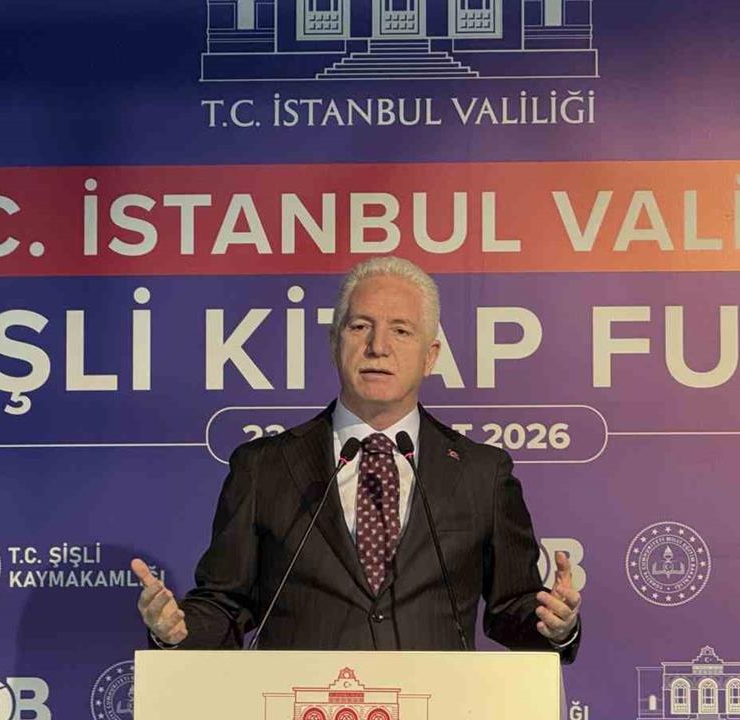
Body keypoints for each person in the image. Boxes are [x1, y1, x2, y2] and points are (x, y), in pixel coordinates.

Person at [130, 257, 581, 662]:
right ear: (334, 343)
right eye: (360, 326)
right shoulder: (263, 467)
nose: (377, 346)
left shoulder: (482, 473)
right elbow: (226, 604)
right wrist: (178, 631)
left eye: (401, 330)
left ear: (430, 357)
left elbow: (511, 608)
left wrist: (554, 626)